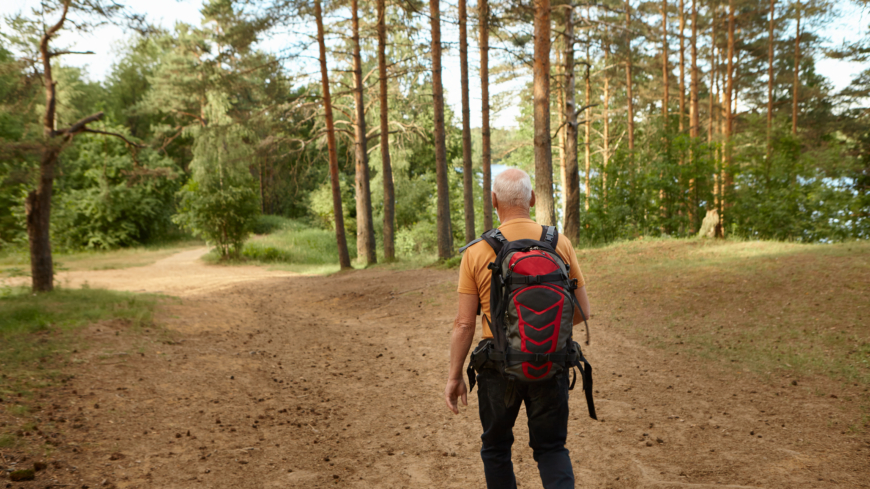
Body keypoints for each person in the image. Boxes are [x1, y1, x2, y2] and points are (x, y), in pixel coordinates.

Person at [444, 168, 592, 489]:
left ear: (494, 200)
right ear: (533, 199)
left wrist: (455, 376)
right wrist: (543, 335)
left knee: (496, 450)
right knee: (552, 449)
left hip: (497, 369)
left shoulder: (476, 251)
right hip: (551, 363)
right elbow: (582, 312)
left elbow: (464, 323)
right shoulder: (559, 243)